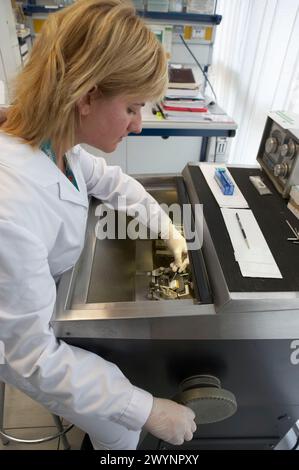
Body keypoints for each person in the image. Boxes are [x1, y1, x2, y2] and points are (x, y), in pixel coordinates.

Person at [0, 0, 196, 450]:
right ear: (86, 96)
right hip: (19, 346)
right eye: (132, 107)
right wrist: (147, 410)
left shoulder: (52, 138)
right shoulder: (11, 205)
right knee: (123, 430)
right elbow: (30, 358)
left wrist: (164, 226)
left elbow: (105, 179)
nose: (139, 125)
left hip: (30, 313)